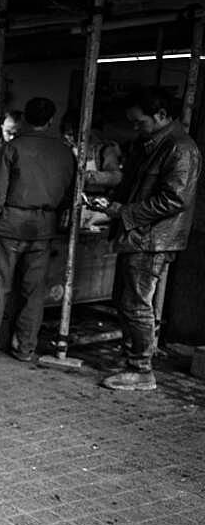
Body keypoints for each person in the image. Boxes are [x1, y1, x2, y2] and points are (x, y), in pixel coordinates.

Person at [88, 87, 202, 390]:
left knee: (137, 304)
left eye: (141, 122)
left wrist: (122, 211)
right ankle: (133, 359)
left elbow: (175, 199)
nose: (137, 128)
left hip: (152, 239)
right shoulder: (152, 144)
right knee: (128, 302)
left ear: (162, 115)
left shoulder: (181, 148)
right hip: (139, 235)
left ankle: (141, 369)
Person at [0, 97, 76, 361]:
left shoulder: (13, 148)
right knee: (33, 292)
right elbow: (69, 196)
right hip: (43, 228)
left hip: (9, 227)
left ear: (25, 119)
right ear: (51, 119)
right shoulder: (65, 152)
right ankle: (25, 347)